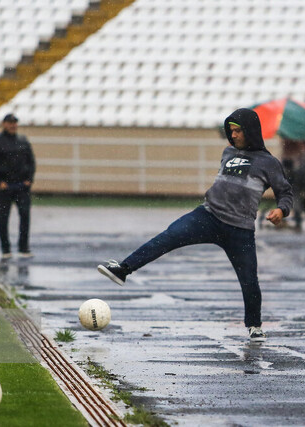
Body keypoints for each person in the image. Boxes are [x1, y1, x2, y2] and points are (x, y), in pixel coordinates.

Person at [97, 108, 293, 342]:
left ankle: (255, 326)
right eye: (231, 131)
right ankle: (124, 269)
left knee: (249, 280)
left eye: (238, 131)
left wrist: (281, 210)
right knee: (167, 237)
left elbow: (286, 192)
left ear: (250, 131)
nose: (234, 136)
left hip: (239, 229)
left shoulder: (268, 162)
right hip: (207, 216)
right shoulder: (228, 151)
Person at [0, 113, 36, 259]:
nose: (13, 125)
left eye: (15, 122)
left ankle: (23, 248)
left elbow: (31, 162)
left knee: (25, 216)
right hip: (5, 187)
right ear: (4, 124)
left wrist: (29, 180)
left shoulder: (23, 140)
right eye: (10, 122)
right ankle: (5, 249)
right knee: (3, 218)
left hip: (22, 187)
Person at [281, 138, 305, 232]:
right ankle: (299, 221)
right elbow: (285, 162)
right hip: (294, 177)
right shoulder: (289, 147)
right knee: (296, 199)